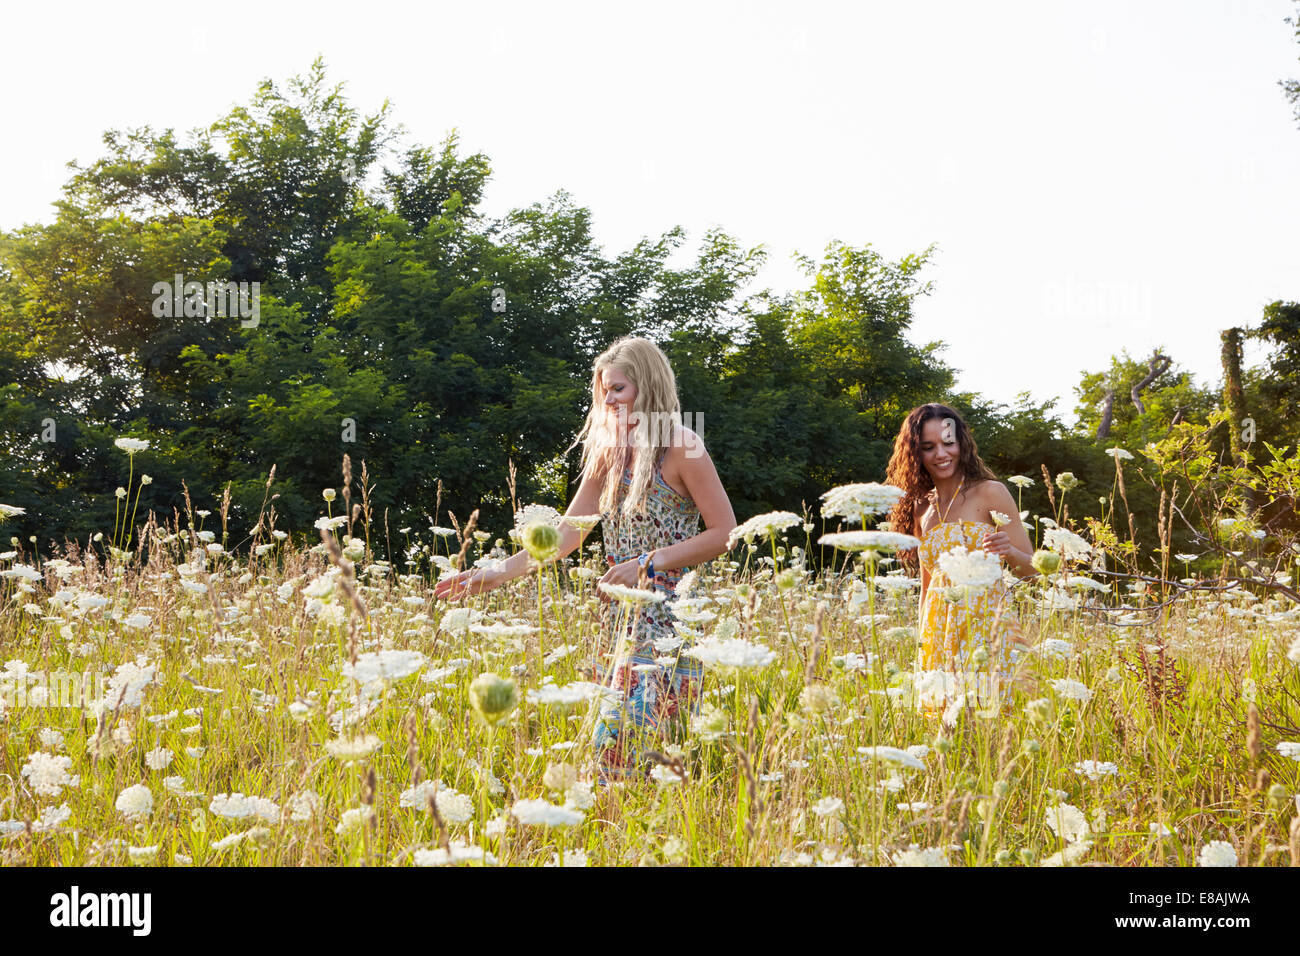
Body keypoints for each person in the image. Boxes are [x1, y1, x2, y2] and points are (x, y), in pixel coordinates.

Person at [433, 336, 736, 782]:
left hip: (673, 622)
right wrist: (496, 574)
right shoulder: (608, 453)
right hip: (619, 620)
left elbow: (725, 533)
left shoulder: (682, 445)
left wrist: (647, 562)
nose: (608, 400)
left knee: (639, 753)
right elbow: (568, 534)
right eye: (604, 390)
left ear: (649, 387)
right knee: (616, 756)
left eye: (619, 389)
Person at [884, 403, 1034, 710]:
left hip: (986, 629)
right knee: (945, 727)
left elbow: (1031, 572)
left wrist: (1009, 550)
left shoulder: (990, 492)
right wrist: (922, 646)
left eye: (948, 443)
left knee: (988, 722)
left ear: (961, 443)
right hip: (938, 635)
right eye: (928, 447)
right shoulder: (921, 508)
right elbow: (928, 586)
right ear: (914, 453)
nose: (941, 454)